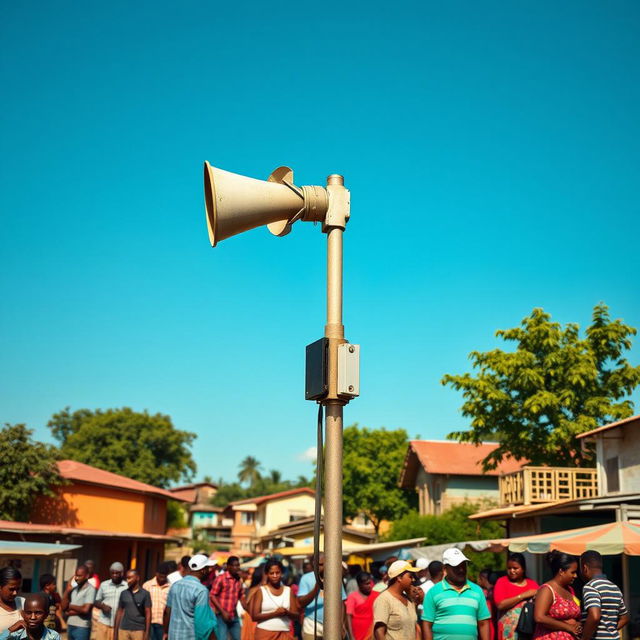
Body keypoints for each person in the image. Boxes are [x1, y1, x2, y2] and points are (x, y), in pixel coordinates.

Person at [421, 548, 491, 640]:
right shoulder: (433, 592)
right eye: (456, 567)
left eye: (463, 565)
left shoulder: (477, 591)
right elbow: (427, 624)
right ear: (445, 569)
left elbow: (483, 623)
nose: (461, 570)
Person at [165, 554, 217, 640]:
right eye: (208, 568)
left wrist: (166, 632)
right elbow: (202, 622)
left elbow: (167, 612)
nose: (209, 571)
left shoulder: (175, 585)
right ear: (203, 570)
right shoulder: (201, 590)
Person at [579, 550, 629, 640]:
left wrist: (584, 638)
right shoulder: (615, 587)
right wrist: (610, 631)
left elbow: (594, 616)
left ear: (584, 568)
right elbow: (624, 618)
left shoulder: (590, 586)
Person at [533, 551, 582, 640]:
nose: (575, 576)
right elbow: (539, 617)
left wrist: (577, 624)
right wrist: (568, 627)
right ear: (561, 571)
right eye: (573, 572)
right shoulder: (547, 590)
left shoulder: (570, 590)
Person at [297, 553, 347, 640]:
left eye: (323, 564)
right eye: (318, 564)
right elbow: (301, 603)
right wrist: (316, 587)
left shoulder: (335, 578)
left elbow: (342, 603)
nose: (321, 567)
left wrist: (341, 624)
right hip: (312, 624)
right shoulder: (306, 578)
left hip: (332, 625)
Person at [248, 559, 297, 640]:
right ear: (267, 574)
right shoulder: (261, 591)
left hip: (284, 633)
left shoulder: (288, 590)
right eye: (271, 573)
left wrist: (286, 612)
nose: (275, 575)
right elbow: (254, 616)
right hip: (264, 633)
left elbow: (296, 615)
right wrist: (275, 613)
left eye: (277, 573)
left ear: (282, 573)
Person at [494, 553, 539, 640]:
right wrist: (522, 596)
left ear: (523, 569)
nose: (512, 571)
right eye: (509, 568)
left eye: (515, 568)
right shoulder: (502, 582)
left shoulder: (532, 584)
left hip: (527, 630)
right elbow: (500, 605)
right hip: (508, 632)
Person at [373, 560, 419, 640]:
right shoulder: (384, 599)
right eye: (410, 576)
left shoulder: (409, 600)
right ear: (399, 578)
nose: (413, 580)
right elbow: (379, 632)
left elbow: (414, 628)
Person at [210, 557, 244, 640]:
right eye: (234, 566)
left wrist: (249, 610)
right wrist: (223, 612)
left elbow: (241, 596)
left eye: (238, 565)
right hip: (221, 615)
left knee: (238, 638)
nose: (236, 568)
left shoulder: (238, 579)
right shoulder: (221, 578)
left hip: (233, 615)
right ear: (228, 566)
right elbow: (212, 595)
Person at [94, 563, 128, 640]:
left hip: (120, 625)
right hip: (104, 623)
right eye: (112, 573)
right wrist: (102, 606)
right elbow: (96, 601)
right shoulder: (104, 585)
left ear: (122, 573)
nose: (114, 575)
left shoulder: (127, 586)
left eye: (117, 573)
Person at [62, 565, 96, 640]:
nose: (77, 578)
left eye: (79, 576)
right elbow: (64, 607)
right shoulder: (73, 589)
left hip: (82, 627)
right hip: (70, 624)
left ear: (87, 576)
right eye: (76, 575)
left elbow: (85, 610)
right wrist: (67, 590)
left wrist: (70, 606)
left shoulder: (90, 589)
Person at [113, 570, 150, 640]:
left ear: (137, 578)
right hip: (124, 629)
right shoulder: (123, 593)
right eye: (127, 578)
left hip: (138, 630)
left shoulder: (145, 594)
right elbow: (119, 612)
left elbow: (148, 614)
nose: (128, 580)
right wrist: (115, 632)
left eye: (130, 578)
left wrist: (147, 633)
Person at [143, 563, 171, 640]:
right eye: (160, 575)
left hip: (163, 625)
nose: (162, 578)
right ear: (156, 574)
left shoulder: (171, 587)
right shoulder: (147, 586)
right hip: (149, 623)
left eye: (164, 575)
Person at [346, 573, 378, 640]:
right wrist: (351, 636)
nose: (369, 586)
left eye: (370, 583)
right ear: (359, 585)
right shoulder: (352, 597)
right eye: (366, 584)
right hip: (358, 632)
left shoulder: (376, 595)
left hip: (373, 631)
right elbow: (348, 616)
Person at [0, 568, 25, 634]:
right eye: (11, 589)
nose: (15, 593)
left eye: (18, 589)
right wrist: (11, 629)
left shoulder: (22, 602)